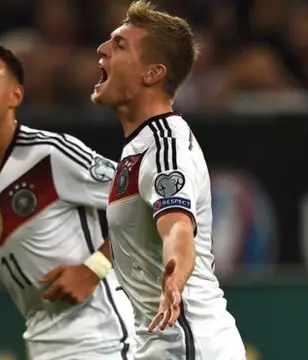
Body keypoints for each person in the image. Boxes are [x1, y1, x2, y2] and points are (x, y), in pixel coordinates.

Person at [0, 38, 135, 360]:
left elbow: (140, 200)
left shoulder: (50, 155)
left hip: (106, 339)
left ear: (15, 95)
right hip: (43, 348)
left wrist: (93, 268)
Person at [91, 1, 246, 360]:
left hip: (187, 346)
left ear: (152, 73)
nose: (102, 48)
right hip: (164, 346)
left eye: (119, 45)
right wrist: (91, 270)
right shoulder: (139, 149)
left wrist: (175, 279)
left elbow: (177, 229)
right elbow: (133, 241)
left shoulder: (165, 147)